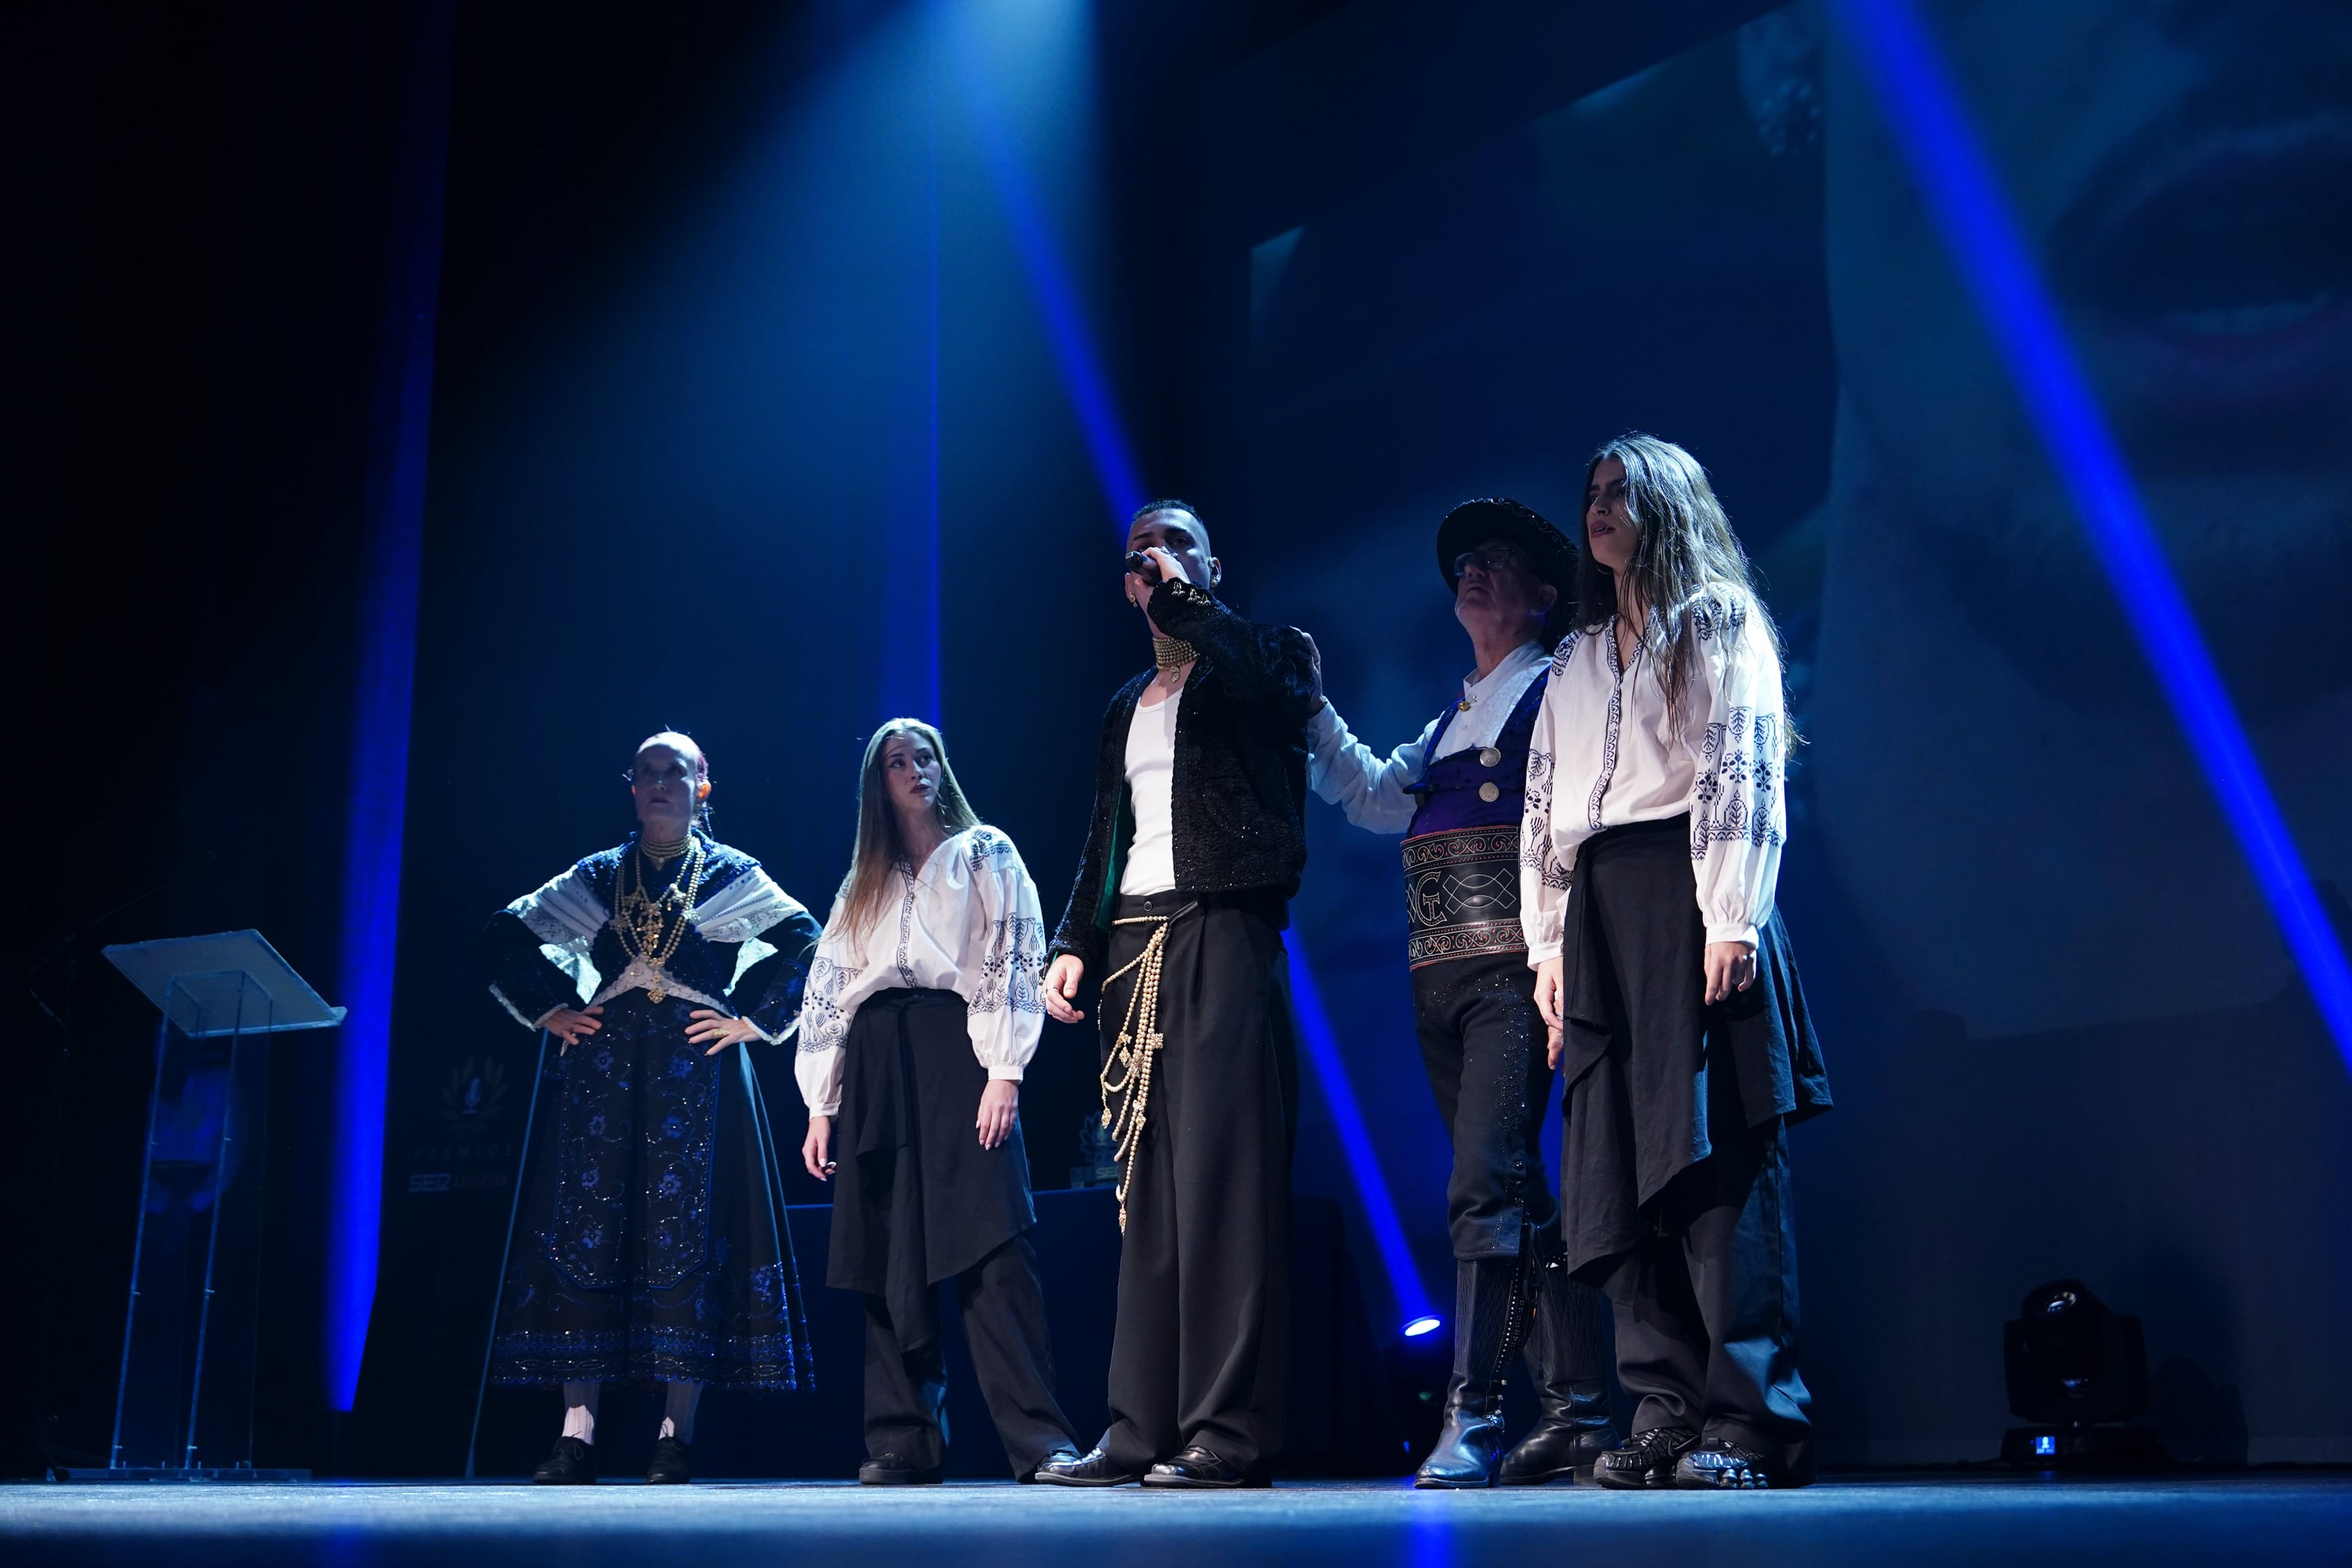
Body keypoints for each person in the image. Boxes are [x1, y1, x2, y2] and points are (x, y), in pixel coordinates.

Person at [1521, 436, 1831, 1490]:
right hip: (1602, 915)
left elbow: (1740, 761)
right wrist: (1548, 946)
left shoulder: (1717, 623)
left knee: (1718, 1163)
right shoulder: (1575, 656)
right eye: (1592, 492)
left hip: (1689, 897)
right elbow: (1542, 820)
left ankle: (1749, 1420)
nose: (1600, 509)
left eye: (1621, 493)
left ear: (1668, 507)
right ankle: (1664, 1404)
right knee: (1612, 1168)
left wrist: (1731, 917)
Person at [1307, 498, 1616, 1487]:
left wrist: (1558, 960)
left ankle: (1473, 1417)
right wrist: (1312, 706)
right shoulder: (1449, 721)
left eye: (1498, 561)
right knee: (1516, 1192)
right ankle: (1574, 1408)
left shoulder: (1556, 693)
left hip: (1512, 975)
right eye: (1466, 562)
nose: (1471, 573)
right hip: (1438, 981)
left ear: (1543, 597)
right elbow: (1367, 799)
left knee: (1485, 1190)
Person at [1031, 499, 1321, 1490]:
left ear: (1211, 567)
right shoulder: (1127, 705)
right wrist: (1074, 940)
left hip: (1224, 927)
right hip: (1134, 944)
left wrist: (1191, 607)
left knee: (1225, 1187)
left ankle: (1226, 1433)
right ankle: (1138, 1426)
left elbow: (1286, 697)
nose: (1153, 566)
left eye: (1175, 549)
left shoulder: (1264, 657)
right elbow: (1104, 835)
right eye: (1139, 557)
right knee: (1146, 1194)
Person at [482, 731, 822, 1486]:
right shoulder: (599, 875)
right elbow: (504, 934)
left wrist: (753, 1020)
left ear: (704, 786)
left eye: (678, 772)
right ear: (630, 787)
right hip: (604, 1073)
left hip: (694, 1072)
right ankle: (577, 1433)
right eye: (649, 772)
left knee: (687, 1238)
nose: (662, 783)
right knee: (591, 1233)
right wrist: (551, 1011)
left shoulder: (732, 874)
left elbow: (809, 939)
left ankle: (676, 1432)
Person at [795, 719, 1080, 1485]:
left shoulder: (986, 849)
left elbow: (1014, 949)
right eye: (897, 760)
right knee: (887, 1252)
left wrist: (1004, 1067)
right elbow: (827, 991)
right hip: (881, 1066)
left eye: (925, 756)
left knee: (993, 1247)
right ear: (876, 783)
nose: (915, 769)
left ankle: (1039, 1439)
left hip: (960, 1050)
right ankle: (903, 1440)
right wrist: (822, 1103)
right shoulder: (863, 882)